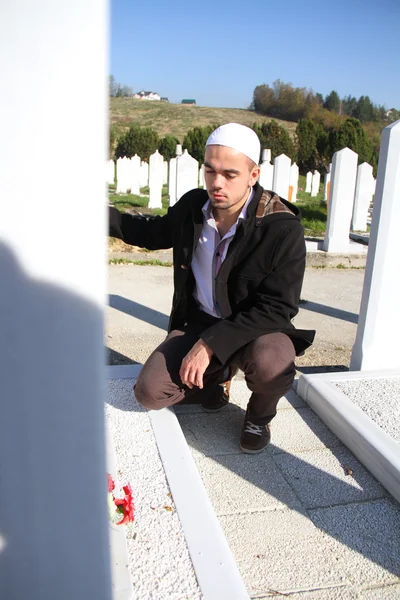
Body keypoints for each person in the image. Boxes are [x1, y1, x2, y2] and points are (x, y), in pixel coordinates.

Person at [109, 123, 315, 453]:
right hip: (200, 321)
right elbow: (151, 232)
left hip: (257, 330)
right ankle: (219, 378)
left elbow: (277, 308)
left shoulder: (281, 228)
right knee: (149, 392)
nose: (216, 184)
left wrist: (209, 346)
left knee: (272, 363)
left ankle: (259, 418)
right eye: (210, 171)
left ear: (253, 174)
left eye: (230, 174)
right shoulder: (194, 207)